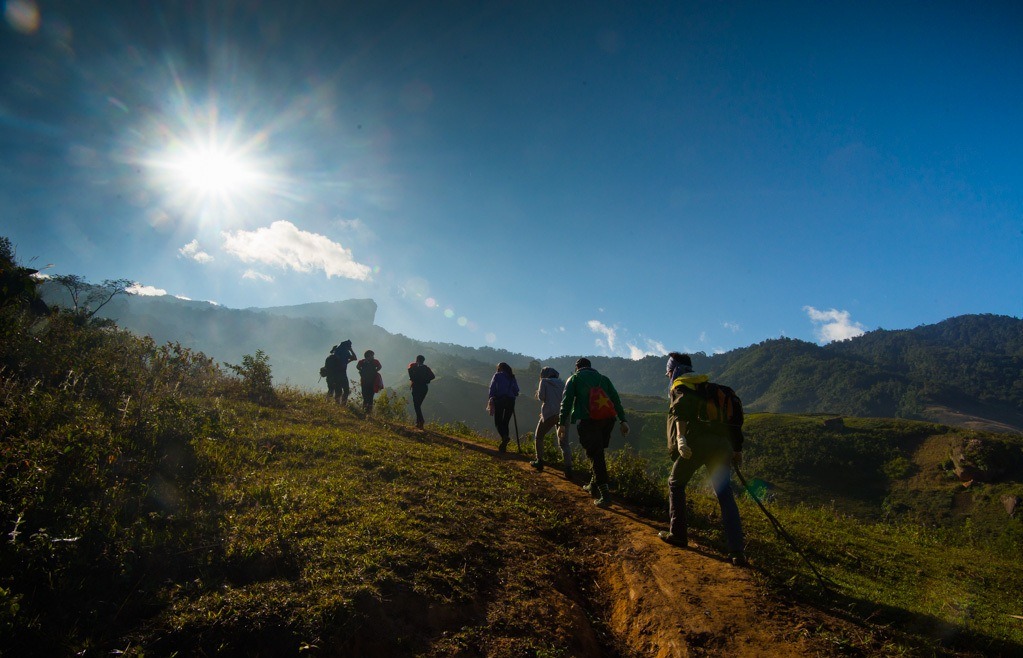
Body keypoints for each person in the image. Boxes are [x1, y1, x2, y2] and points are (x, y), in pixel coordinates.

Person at [658, 352, 746, 566]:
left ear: (673, 369)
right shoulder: (709, 387)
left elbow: (681, 411)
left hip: (697, 443)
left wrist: (681, 439)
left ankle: (678, 534)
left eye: (668, 371)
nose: (668, 375)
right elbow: (733, 419)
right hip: (722, 445)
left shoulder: (681, 384)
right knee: (725, 495)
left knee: (676, 483)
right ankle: (737, 552)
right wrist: (736, 449)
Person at [558, 358, 629, 507]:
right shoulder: (603, 379)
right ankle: (593, 485)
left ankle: (605, 495)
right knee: (598, 453)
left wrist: (561, 423)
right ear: (590, 367)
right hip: (608, 420)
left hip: (589, 421)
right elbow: (616, 399)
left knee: (595, 455)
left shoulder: (574, 378)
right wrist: (623, 420)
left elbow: (566, 401)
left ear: (577, 367)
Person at [530, 366, 572, 478]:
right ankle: (568, 469)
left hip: (550, 413)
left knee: (539, 437)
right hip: (564, 415)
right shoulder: (562, 383)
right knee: (564, 443)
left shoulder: (544, 381)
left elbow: (541, 397)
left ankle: (539, 461)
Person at [487, 362, 519, 452]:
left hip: (500, 400)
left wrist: (491, 398)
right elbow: (516, 390)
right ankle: (504, 445)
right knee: (505, 422)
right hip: (511, 401)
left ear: (500, 368)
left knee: (498, 421)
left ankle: (504, 437)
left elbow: (492, 388)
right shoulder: (512, 377)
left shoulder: (497, 375)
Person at [407, 354, 435, 429]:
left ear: (417, 360)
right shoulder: (426, 368)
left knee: (416, 405)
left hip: (416, 387)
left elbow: (411, 376)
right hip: (424, 388)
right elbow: (433, 376)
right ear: (423, 361)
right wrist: (425, 380)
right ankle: (418, 423)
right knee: (418, 405)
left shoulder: (413, 367)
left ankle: (421, 421)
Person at [324, 339, 357, 404]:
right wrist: (351, 350)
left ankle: (330, 403)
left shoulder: (329, 358)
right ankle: (342, 405)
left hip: (332, 376)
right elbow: (355, 358)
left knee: (335, 391)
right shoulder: (345, 353)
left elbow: (341, 364)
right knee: (345, 391)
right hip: (342, 375)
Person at [356, 349, 382, 414]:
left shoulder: (362, 362)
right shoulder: (375, 362)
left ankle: (365, 411)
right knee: (369, 397)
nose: (373, 357)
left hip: (365, 382)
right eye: (372, 355)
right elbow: (379, 367)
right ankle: (368, 412)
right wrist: (375, 371)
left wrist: (361, 371)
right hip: (371, 382)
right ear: (369, 356)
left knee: (366, 397)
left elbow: (358, 367)